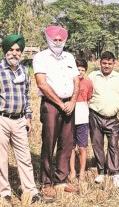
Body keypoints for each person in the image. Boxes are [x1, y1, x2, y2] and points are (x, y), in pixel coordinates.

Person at [0, 35, 48, 204]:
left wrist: (28, 117)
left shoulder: (24, 71)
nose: (14, 53)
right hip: (0, 119)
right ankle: (5, 193)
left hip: (19, 120)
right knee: (2, 158)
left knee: (25, 157)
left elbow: (26, 95)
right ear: (5, 51)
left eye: (18, 50)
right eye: (11, 49)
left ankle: (31, 191)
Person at [32, 26, 79, 196]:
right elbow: (41, 83)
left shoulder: (69, 57)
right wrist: (60, 103)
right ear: (48, 40)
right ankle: (46, 181)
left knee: (66, 143)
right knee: (49, 142)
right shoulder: (41, 57)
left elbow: (76, 80)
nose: (58, 42)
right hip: (51, 105)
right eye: (55, 40)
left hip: (69, 104)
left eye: (60, 40)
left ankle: (61, 180)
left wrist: (73, 101)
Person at [88, 51, 119, 188]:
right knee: (97, 144)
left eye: (109, 63)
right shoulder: (93, 76)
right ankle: (102, 171)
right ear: (99, 62)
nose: (106, 66)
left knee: (113, 145)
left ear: (114, 63)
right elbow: (86, 93)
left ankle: (115, 173)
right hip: (95, 115)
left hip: (112, 118)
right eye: (104, 63)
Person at [69, 58, 93, 181]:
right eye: (77, 69)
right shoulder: (69, 82)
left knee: (82, 147)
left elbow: (89, 98)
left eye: (82, 70)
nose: (80, 72)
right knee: (71, 147)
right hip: (70, 118)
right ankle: (73, 171)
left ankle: (82, 172)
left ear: (86, 71)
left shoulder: (88, 83)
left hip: (83, 118)